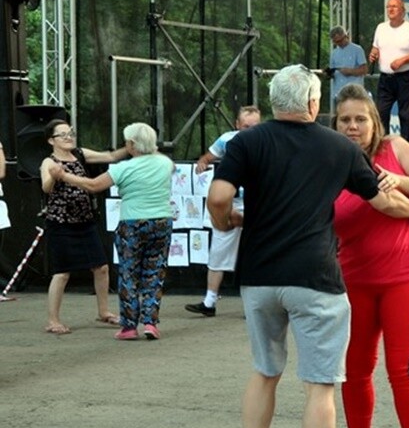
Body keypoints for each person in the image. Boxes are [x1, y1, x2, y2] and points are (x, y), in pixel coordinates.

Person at [207, 64, 409, 428]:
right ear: (312, 103)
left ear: (273, 102)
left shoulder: (245, 142)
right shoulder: (338, 147)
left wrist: (224, 222)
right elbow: (381, 200)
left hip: (260, 276)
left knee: (265, 371)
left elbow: (219, 198)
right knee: (320, 385)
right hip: (315, 279)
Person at [326, 83, 409, 428]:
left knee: (400, 368)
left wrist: (398, 180)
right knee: (355, 369)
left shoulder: (395, 148)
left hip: (407, 276)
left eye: (360, 118)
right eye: (345, 119)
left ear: (375, 121)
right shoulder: (330, 163)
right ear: (335, 124)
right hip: (354, 279)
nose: (353, 126)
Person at [50, 122, 173, 341]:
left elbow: (94, 185)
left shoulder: (123, 168)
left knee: (128, 274)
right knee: (155, 273)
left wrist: (64, 176)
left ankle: (129, 326)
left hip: (132, 222)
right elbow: (160, 158)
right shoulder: (165, 163)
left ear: (132, 144)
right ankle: (150, 323)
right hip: (162, 221)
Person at [39, 120, 129, 334]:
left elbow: (110, 157)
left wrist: (130, 147)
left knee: (101, 267)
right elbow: (46, 187)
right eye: (62, 134)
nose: (68, 137)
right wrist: (54, 176)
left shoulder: (79, 154)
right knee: (62, 273)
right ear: (51, 140)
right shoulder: (49, 162)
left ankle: (103, 311)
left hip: (85, 221)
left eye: (70, 132)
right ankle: (53, 320)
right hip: (61, 223)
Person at [185, 105, 262, 317]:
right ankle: (209, 302)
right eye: (246, 126)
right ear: (237, 124)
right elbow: (207, 157)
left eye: (255, 126)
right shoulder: (226, 140)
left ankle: (253, 307)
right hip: (231, 203)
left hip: (257, 204)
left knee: (255, 255)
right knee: (218, 251)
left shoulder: (267, 141)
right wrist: (202, 163)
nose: (250, 131)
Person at [370, 0, 409, 145]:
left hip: (404, 77)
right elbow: (376, 47)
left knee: (406, 116)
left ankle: (406, 149)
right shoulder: (381, 28)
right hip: (385, 78)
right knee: (381, 113)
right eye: (388, 7)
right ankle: (382, 148)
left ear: (403, 11)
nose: (391, 9)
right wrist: (373, 53)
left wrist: (403, 60)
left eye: (394, 7)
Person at [327, 25, 368, 97]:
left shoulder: (357, 49)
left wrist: (350, 71)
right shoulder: (334, 53)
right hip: (338, 92)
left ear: (346, 36)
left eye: (340, 41)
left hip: (354, 92)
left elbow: (364, 70)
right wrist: (327, 74)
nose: (338, 43)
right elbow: (332, 71)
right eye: (335, 42)